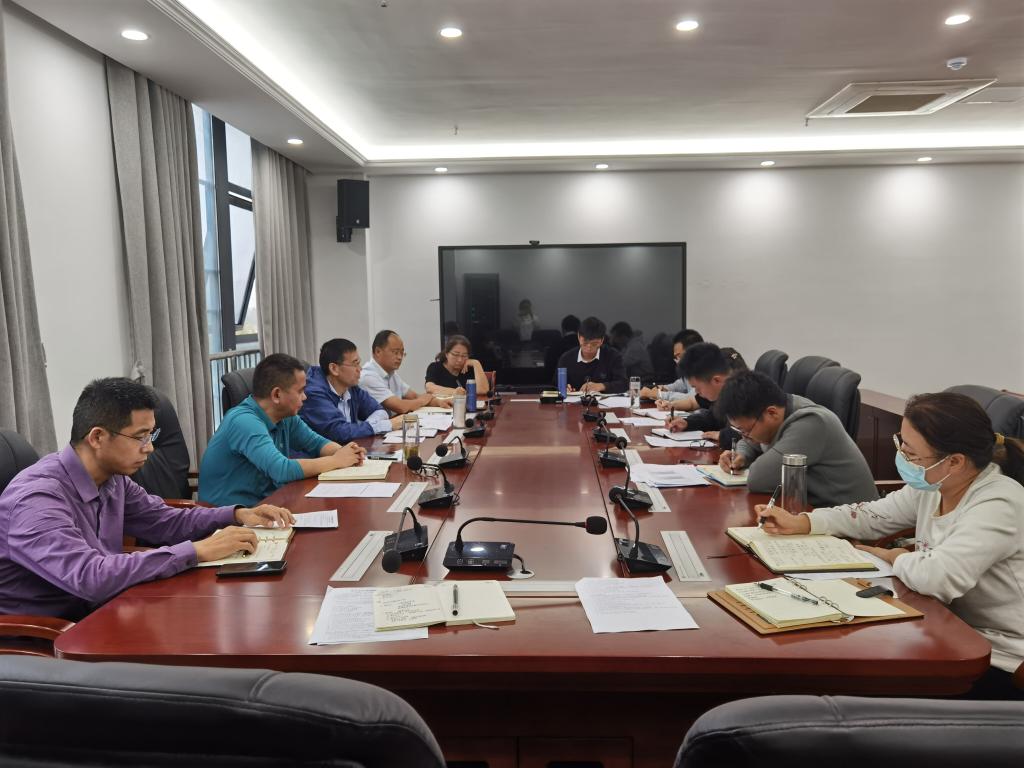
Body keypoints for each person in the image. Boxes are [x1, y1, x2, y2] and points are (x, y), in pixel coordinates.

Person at [759, 392, 1024, 700]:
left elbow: (939, 578)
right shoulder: (937, 484)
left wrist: (896, 557)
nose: (903, 458)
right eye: (901, 444)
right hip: (946, 626)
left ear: (954, 461)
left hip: (999, 654)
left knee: (860, 684)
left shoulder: (998, 503)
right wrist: (804, 522)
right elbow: (873, 516)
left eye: (911, 454)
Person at [0, 378, 294, 620]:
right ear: (97, 437)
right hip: (46, 641)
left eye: (151, 436)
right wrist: (196, 551)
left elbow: (164, 520)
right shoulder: (35, 500)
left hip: (102, 612)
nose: (150, 448)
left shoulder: (112, 480)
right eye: (140, 437)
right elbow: (90, 578)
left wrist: (237, 515)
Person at [200, 353, 365, 507]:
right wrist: (336, 460)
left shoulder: (285, 416)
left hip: (269, 506)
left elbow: (316, 443)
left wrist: (346, 452)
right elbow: (281, 470)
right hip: (229, 518)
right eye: (300, 391)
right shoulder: (244, 422)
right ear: (277, 395)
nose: (305, 397)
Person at [716, 370, 878, 505]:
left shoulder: (811, 423)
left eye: (746, 430)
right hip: (817, 513)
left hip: (853, 523)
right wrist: (741, 456)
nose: (745, 436)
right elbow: (749, 443)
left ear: (771, 413)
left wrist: (749, 457)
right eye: (740, 431)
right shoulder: (781, 410)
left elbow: (759, 479)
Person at [300, 338, 404, 441]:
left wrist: (366, 428)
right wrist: (385, 425)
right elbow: (339, 432)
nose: (360, 369)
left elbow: (379, 410)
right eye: (355, 364)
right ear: (334, 368)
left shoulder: (350, 386)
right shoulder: (314, 393)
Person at [666, 342, 747, 447]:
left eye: (697, 387)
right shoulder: (724, 394)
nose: (696, 392)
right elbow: (713, 418)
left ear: (716, 380)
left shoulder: (746, 394)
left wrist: (723, 436)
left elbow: (749, 434)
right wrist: (687, 423)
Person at [361, 330, 450, 415]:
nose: (400, 357)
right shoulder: (368, 376)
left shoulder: (392, 374)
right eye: (395, 352)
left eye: (402, 352)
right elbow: (400, 406)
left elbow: (414, 396)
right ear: (378, 351)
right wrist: (422, 401)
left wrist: (439, 402)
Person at [555, 316, 627, 394]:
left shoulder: (613, 356)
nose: (589, 347)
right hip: (574, 401)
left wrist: (602, 386)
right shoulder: (566, 358)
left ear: (602, 340)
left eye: (594, 344)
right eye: (585, 342)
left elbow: (623, 383)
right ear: (579, 337)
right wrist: (563, 388)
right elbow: (554, 385)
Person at [640, 328, 703, 404]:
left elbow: (693, 399)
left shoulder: (706, 371)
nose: (677, 361)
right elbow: (680, 384)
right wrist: (663, 388)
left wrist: (657, 394)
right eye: (676, 357)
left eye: (679, 356)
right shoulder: (691, 372)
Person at [424, 334, 491, 396]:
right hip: (442, 404)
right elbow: (430, 388)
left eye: (464, 356)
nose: (460, 360)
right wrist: (455, 392)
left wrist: (476, 363)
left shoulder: (469, 370)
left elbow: (483, 390)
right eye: (456, 355)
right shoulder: (435, 367)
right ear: (446, 354)